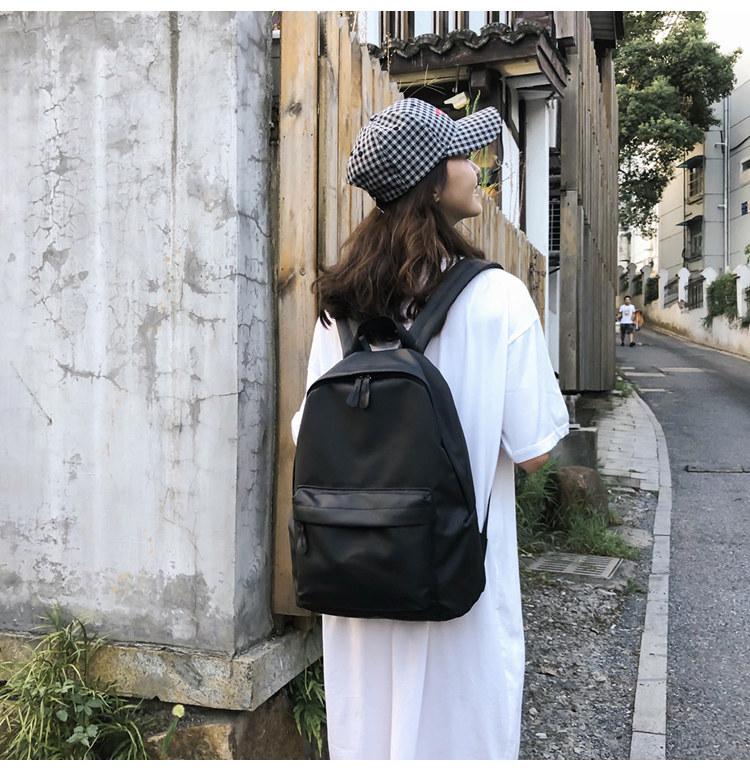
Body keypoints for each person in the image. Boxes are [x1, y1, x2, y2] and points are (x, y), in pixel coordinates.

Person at [291, 98, 569, 760]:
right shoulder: (499, 298)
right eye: (463, 156)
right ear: (434, 182)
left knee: (369, 742)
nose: (477, 169)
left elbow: (309, 431)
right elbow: (535, 453)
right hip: (459, 591)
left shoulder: (342, 308)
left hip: (359, 587)